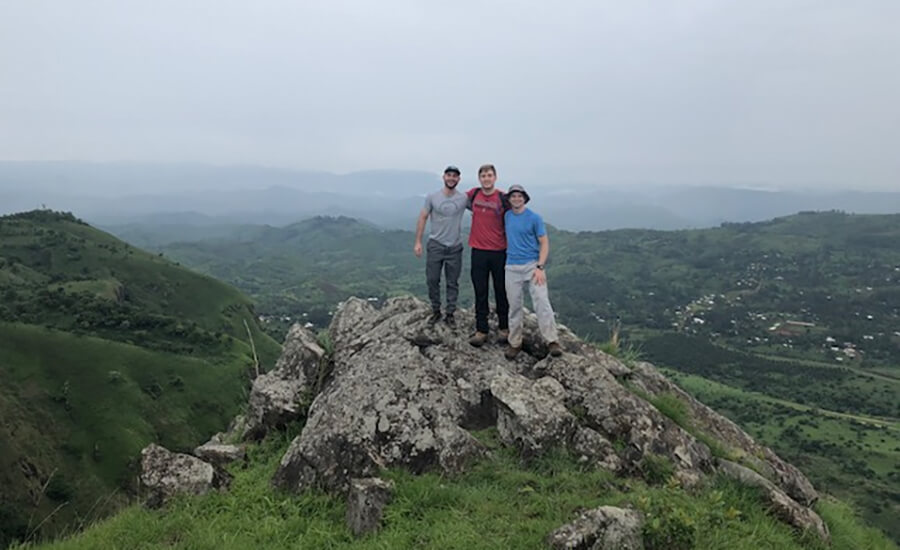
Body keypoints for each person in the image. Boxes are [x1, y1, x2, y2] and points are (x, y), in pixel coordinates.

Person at [502, 184, 562, 359]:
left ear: (524, 198)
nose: (516, 199)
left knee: (542, 302)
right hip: (511, 265)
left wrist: (540, 267)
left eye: (519, 196)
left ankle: (552, 340)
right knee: (513, 305)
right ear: (509, 199)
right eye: (513, 196)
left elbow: (544, 242)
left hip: (532, 265)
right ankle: (515, 343)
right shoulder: (506, 216)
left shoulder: (535, 218)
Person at [414, 165, 468, 327]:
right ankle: (436, 310)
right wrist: (418, 241)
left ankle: (450, 313)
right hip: (436, 244)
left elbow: (481, 207)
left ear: (458, 179)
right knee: (432, 280)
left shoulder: (464, 198)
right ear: (444, 177)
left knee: (452, 282)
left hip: (455, 246)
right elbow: (423, 217)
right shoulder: (432, 197)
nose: (451, 178)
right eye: (449, 175)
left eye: (455, 176)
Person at [466, 164, 509, 346]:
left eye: (489, 175)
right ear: (479, 178)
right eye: (483, 176)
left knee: (501, 290)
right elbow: (457, 200)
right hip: (478, 250)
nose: (486, 178)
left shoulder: (502, 198)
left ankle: (504, 328)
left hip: (499, 251)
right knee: (480, 291)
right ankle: (481, 330)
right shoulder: (473, 195)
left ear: (495, 177)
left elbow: (513, 218)